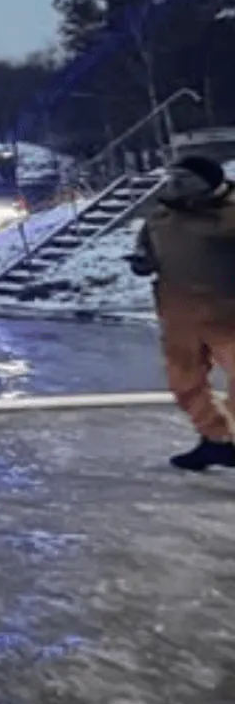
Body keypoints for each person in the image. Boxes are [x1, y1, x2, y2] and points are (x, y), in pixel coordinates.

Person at [128, 156, 235, 471]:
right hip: (179, 316)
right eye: (173, 179)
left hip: (229, 314)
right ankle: (216, 440)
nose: (175, 186)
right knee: (184, 384)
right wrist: (142, 263)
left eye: (185, 180)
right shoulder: (160, 219)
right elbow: (146, 252)